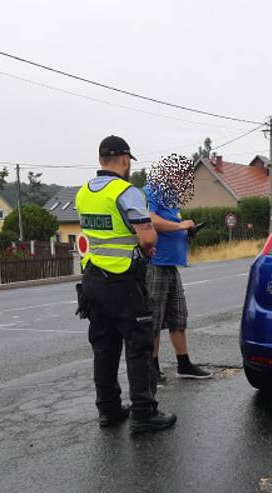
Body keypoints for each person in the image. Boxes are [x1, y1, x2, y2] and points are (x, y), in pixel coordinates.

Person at [76, 135, 177, 434]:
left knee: (104, 348)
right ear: (124, 160)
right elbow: (147, 236)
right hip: (123, 280)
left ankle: (108, 410)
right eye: (128, 161)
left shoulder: (84, 193)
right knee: (139, 345)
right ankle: (144, 413)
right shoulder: (127, 192)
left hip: (93, 279)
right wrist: (148, 249)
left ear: (100, 160)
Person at [143, 180, 213, 382]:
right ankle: (152, 369)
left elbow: (172, 226)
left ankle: (184, 364)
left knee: (178, 317)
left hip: (171, 265)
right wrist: (179, 226)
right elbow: (150, 220)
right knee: (154, 319)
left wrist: (187, 231)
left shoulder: (172, 198)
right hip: (155, 263)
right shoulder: (150, 192)